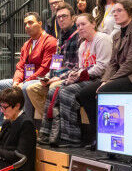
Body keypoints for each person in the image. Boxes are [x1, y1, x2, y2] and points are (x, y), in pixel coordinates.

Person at [37, 13, 113, 147]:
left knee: (66, 92)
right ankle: (47, 133)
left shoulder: (102, 39)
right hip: (86, 78)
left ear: (93, 24)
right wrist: (73, 75)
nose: (80, 28)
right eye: (78, 25)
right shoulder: (83, 45)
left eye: (83, 24)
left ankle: (71, 137)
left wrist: (80, 74)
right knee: (54, 90)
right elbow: (81, 67)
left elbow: (103, 67)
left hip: (101, 79)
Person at [0, 12, 57, 130]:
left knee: (25, 87)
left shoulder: (50, 41)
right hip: (25, 79)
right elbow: (20, 66)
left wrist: (24, 82)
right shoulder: (27, 44)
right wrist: (16, 81)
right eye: (25, 24)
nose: (27, 26)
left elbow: (45, 68)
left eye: (30, 23)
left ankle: (28, 127)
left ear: (40, 23)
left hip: (40, 79)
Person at [26, 2, 80, 120]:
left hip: (71, 77)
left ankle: (54, 122)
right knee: (31, 89)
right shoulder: (60, 38)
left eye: (64, 16)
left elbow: (76, 67)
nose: (61, 19)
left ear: (73, 18)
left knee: (53, 86)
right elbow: (55, 63)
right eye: (58, 17)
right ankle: (52, 121)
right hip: (57, 77)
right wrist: (47, 77)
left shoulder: (78, 36)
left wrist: (58, 78)